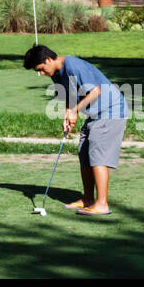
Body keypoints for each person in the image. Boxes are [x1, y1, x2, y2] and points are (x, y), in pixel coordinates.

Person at [23, 44, 127, 217]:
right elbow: (68, 96)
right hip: (96, 113)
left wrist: (75, 110)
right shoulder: (56, 73)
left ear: (48, 60)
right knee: (84, 152)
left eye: (41, 69)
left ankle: (102, 204)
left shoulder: (72, 65)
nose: (41, 73)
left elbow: (95, 91)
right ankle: (87, 198)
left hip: (111, 111)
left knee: (97, 155)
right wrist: (68, 115)